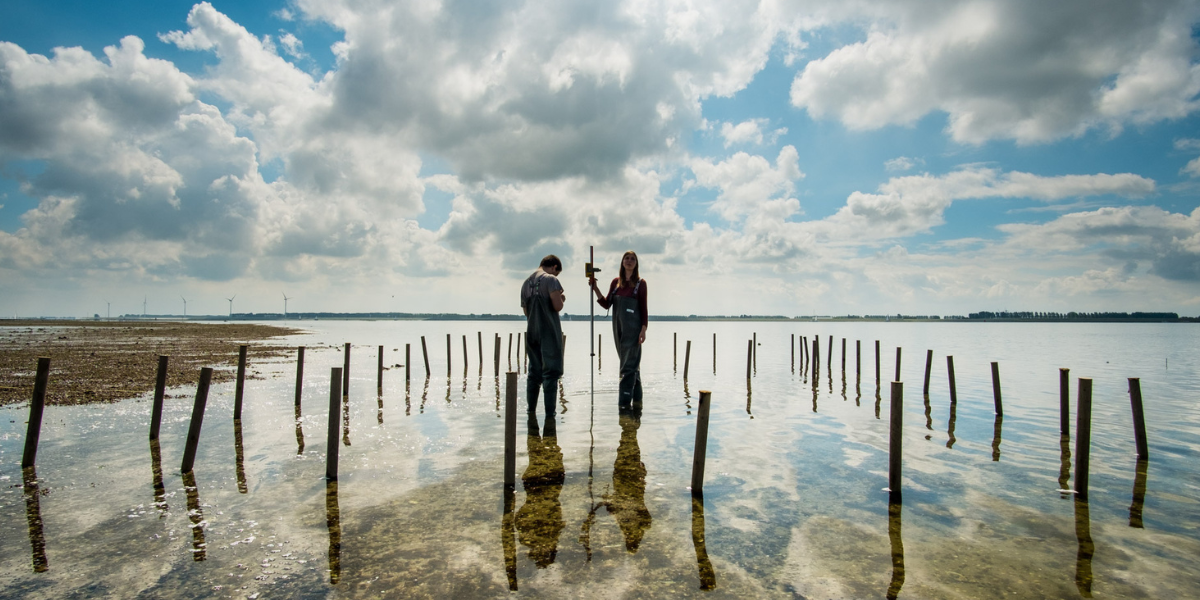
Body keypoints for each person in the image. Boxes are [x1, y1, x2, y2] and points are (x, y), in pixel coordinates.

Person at [590, 250, 646, 407]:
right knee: (632, 367)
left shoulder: (641, 284)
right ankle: (638, 406)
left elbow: (643, 308)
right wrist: (595, 288)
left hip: (634, 331)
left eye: (632, 259)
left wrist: (643, 329)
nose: (629, 261)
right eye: (626, 258)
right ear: (622, 262)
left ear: (636, 263)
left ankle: (624, 408)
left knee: (627, 369)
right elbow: (607, 304)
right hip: (618, 330)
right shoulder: (616, 283)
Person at [521, 255, 566, 416]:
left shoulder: (526, 283)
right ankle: (550, 416)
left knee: (534, 374)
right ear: (554, 267)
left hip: (532, 332)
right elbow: (557, 306)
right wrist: (561, 297)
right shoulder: (550, 280)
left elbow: (526, 312)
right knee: (551, 373)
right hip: (549, 332)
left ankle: (531, 412)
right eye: (557, 273)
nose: (556, 276)